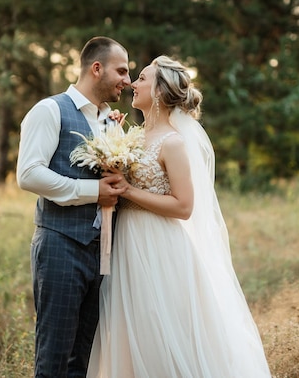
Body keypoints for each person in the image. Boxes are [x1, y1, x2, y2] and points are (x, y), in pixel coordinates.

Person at [87, 56, 272, 377]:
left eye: (142, 78)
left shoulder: (173, 142)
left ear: (159, 91)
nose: (133, 83)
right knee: (132, 333)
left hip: (159, 247)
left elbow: (184, 206)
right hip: (126, 245)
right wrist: (110, 136)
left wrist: (128, 192)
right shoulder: (131, 136)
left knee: (161, 331)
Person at [16, 36, 131, 378]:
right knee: (53, 357)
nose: (126, 80)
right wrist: (92, 190)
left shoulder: (112, 121)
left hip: (104, 254)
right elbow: (29, 174)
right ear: (97, 69)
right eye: (121, 71)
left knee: (82, 361)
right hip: (60, 247)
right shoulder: (50, 110)